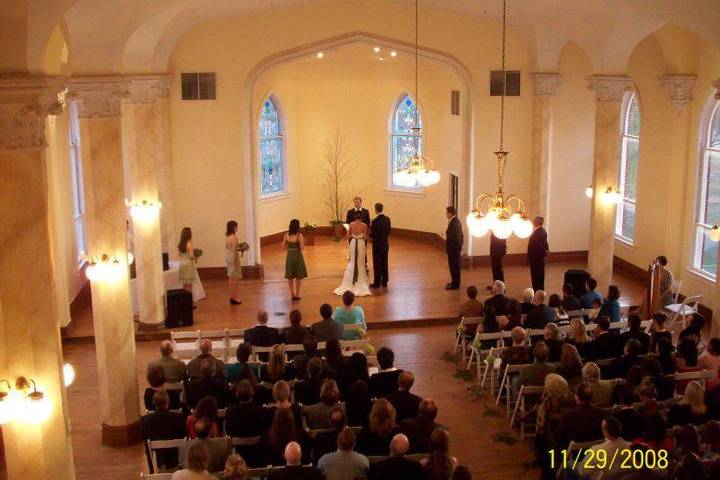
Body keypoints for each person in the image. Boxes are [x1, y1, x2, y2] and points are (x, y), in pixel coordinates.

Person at [534, 374, 575, 479]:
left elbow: (541, 430)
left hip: (555, 444)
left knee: (539, 439)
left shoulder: (546, 405)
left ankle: (547, 473)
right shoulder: (573, 399)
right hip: (573, 441)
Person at [141, 390, 187, 470]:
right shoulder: (178, 418)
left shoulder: (146, 420)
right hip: (174, 455)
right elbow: (183, 436)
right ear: (167, 402)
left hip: (157, 455)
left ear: (153, 403)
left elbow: (143, 437)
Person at [553, 382, 604, 448]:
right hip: (597, 453)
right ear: (592, 396)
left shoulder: (568, 416)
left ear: (576, 396)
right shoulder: (602, 413)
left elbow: (558, 438)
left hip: (574, 455)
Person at [335, 211, 372, 297]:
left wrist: (353, 235)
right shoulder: (364, 225)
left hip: (353, 243)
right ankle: (360, 281)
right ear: (361, 217)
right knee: (361, 262)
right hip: (361, 243)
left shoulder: (351, 224)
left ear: (355, 217)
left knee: (352, 261)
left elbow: (348, 236)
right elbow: (365, 237)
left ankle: (349, 281)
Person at [283, 219, 308, 301]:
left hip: (290, 256)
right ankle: (297, 294)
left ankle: (292, 294)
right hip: (297, 256)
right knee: (298, 276)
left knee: (290, 276)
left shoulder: (286, 234)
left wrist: (289, 248)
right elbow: (302, 248)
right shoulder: (299, 235)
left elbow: (283, 245)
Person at [370, 202, 391, 288]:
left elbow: (373, 235)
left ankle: (377, 283)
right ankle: (385, 281)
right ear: (382, 209)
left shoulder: (375, 221)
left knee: (377, 264)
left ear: (376, 210)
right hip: (385, 245)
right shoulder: (388, 219)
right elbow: (389, 232)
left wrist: (371, 225)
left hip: (377, 246)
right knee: (384, 262)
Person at [527, 216, 549, 291]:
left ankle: (537, 290)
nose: (533, 221)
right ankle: (540, 289)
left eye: (535, 220)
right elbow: (545, 243)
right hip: (539, 258)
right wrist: (546, 251)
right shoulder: (543, 231)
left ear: (538, 222)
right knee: (540, 275)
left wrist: (544, 251)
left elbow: (538, 245)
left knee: (535, 275)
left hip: (535, 258)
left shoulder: (537, 233)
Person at [444, 206, 463, 290]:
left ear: (450, 213)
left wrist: (454, 248)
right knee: (454, 267)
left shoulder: (453, 223)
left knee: (454, 267)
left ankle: (455, 285)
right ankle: (454, 282)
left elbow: (454, 237)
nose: (446, 214)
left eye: (446, 212)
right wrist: (460, 246)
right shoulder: (456, 221)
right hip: (455, 249)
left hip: (453, 250)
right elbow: (462, 235)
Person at [225, 220, 242, 305]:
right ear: (233, 227)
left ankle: (231, 296)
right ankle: (234, 298)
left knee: (231, 278)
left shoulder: (228, 237)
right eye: (236, 226)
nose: (237, 228)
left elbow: (227, 248)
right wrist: (235, 263)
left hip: (228, 257)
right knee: (235, 278)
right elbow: (235, 251)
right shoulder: (234, 237)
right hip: (233, 258)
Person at [178, 226, 197, 294]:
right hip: (188, 264)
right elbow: (191, 256)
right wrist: (196, 258)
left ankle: (184, 301)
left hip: (182, 264)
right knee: (189, 285)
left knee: (184, 284)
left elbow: (179, 255)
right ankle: (189, 302)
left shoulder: (180, 244)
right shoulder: (189, 243)